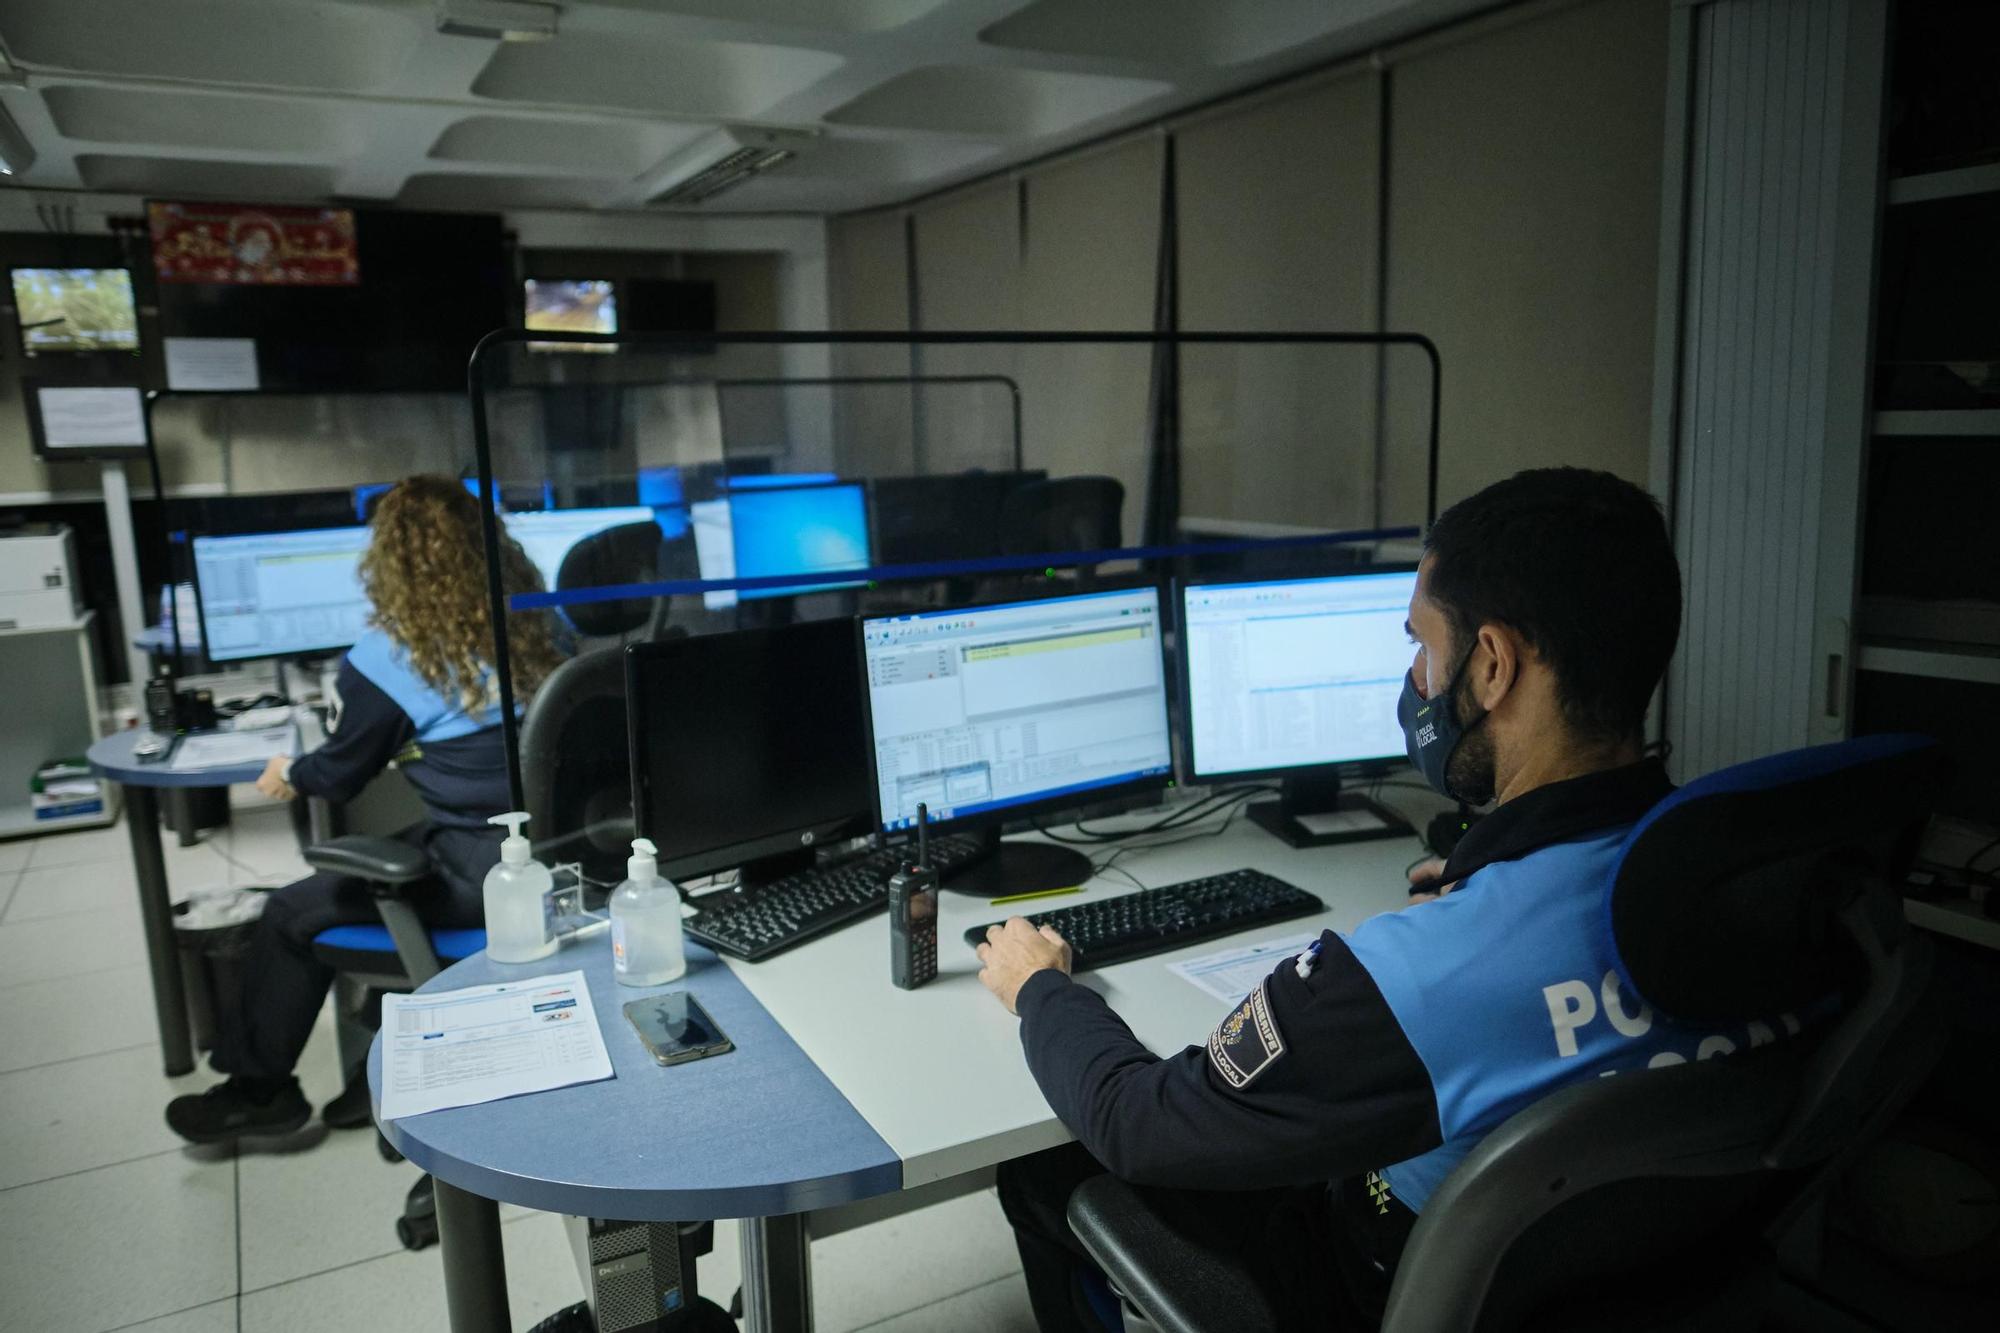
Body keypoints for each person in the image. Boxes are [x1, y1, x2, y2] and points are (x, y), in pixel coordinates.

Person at [977, 468, 1799, 1331]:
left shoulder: (1412, 976)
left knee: (1043, 1169)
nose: (1416, 675)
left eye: (1423, 644)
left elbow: (1134, 1120)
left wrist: (1042, 987)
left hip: (1376, 1276)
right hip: (1633, 1281)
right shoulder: (1756, 887)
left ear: (1490, 665)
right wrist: (1491, 891)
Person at [165, 475, 567, 1145]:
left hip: (482, 875)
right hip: (560, 851)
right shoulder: (536, 619)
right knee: (405, 841)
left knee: (291, 911)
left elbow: (342, 774)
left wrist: (290, 772)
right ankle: (381, 1038)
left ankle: (259, 1092)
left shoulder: (386, 658)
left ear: (392, 563)